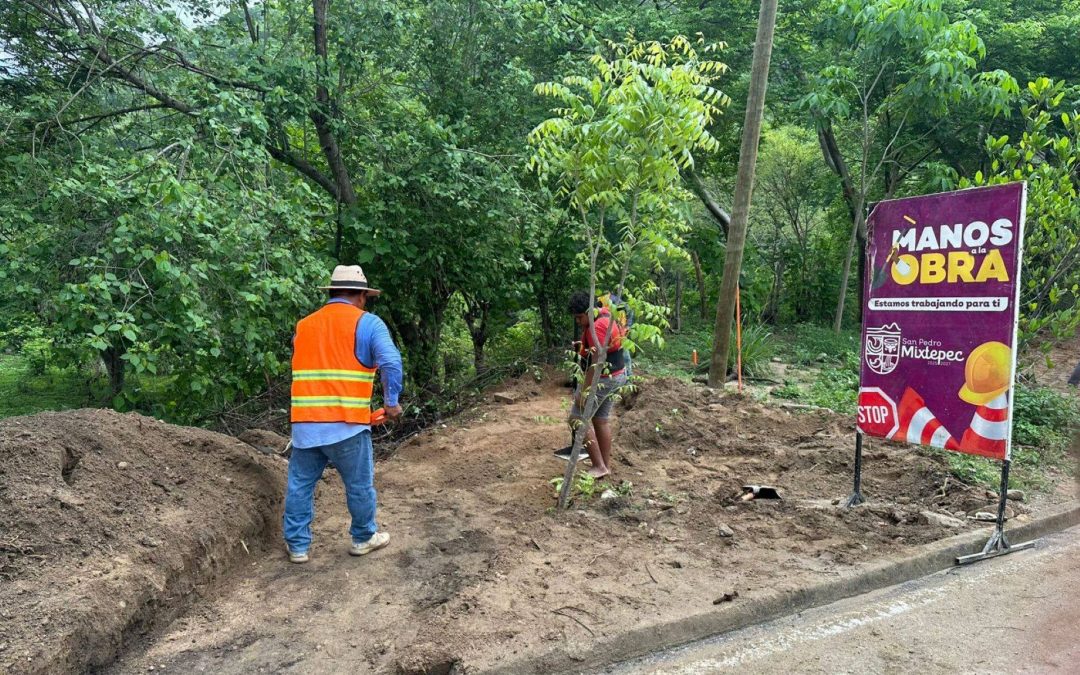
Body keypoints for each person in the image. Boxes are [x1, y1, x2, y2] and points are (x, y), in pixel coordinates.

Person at [284, 265, 403, 564]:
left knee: (300, 485)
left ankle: (298, 547)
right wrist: (391, 403)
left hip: (306, 426)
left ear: (332, 293)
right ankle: (363, 537)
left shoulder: (305, 325)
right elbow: (390, 361)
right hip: (347, 426)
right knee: (359, 484)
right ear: (362, 296)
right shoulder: (369, 323)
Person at [566, 290, 629, 478]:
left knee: (576, 418)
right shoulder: (605, 317)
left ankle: (599, 466)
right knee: (600, 419)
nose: (578, 322)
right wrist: (582, 344)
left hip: (603, 380)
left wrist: (584, 392)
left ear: (589, 311)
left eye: (579, 317)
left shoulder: (598, 326)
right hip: (617, 375)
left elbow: (597, 362)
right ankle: (604, 466)